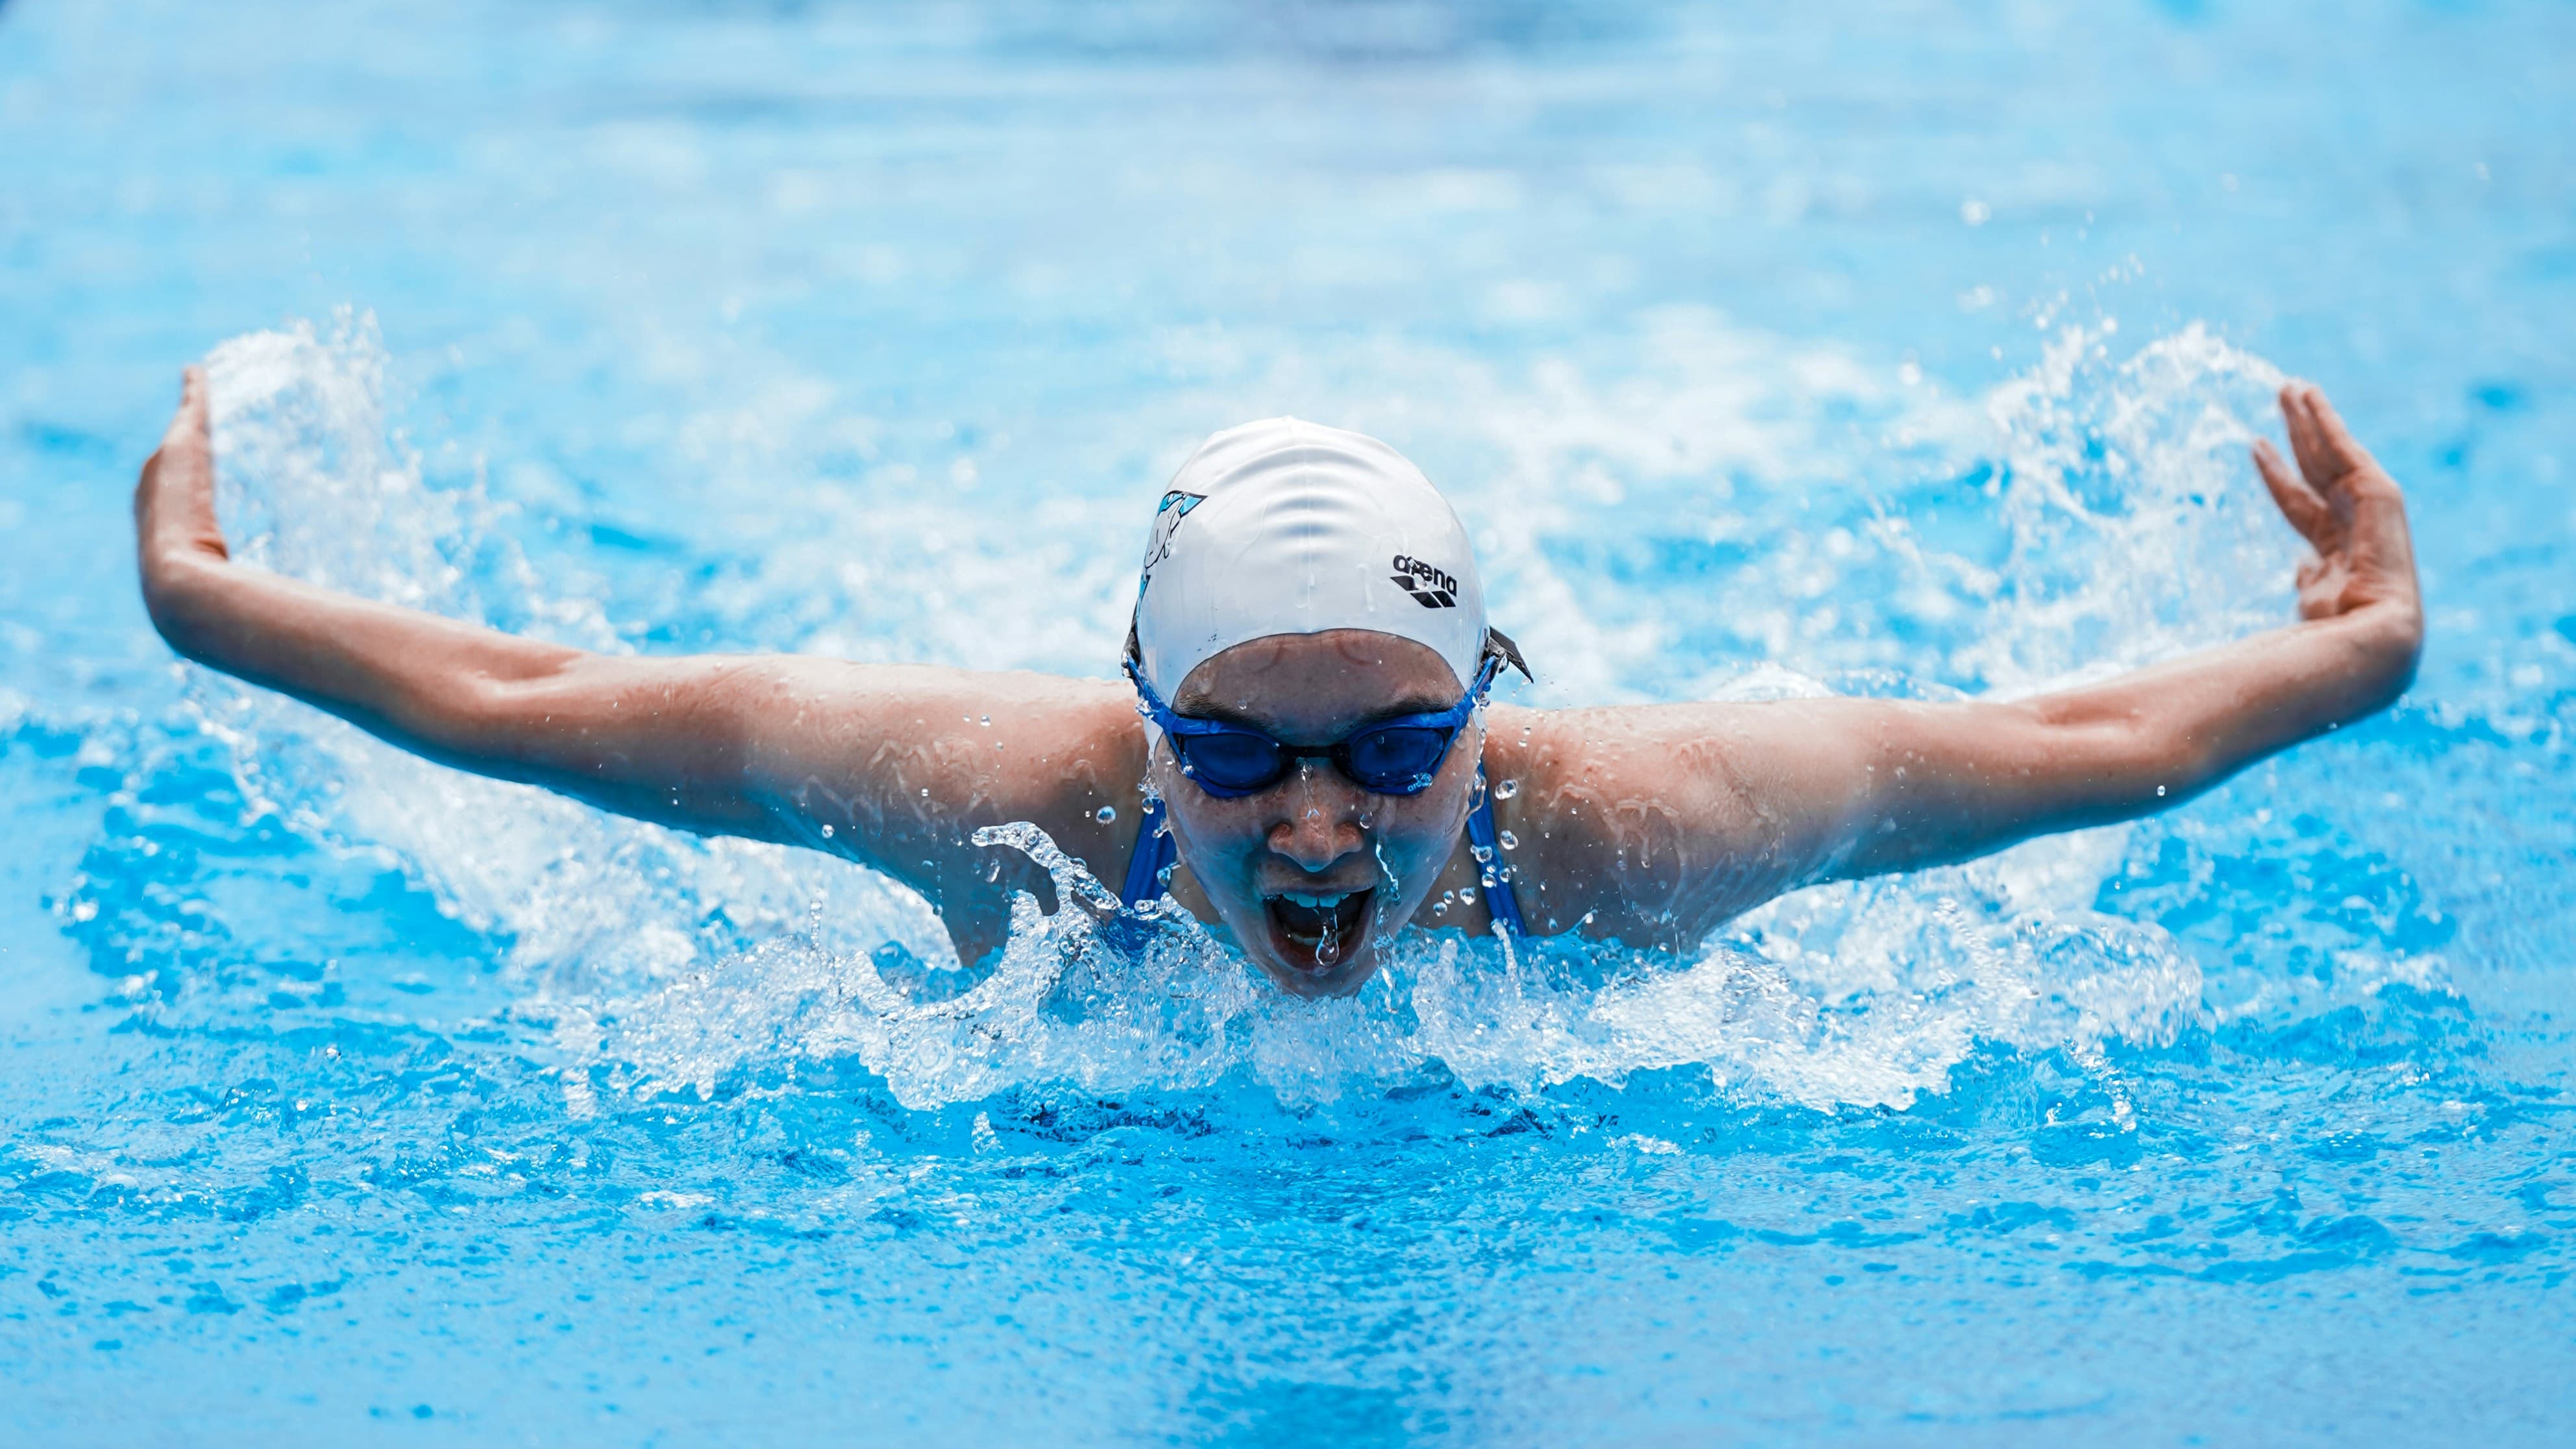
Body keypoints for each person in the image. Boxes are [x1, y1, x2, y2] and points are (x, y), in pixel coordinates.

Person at [132, 370, 2423, 999]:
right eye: (1232, 753)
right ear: (1141, 727)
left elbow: (2072, 747)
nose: (1319, 827)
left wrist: (2356, 656)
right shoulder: (1002, 799)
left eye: (1392, 749)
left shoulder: (1632, 826)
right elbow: (542, 693)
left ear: (1484, 709)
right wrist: (214, 607)